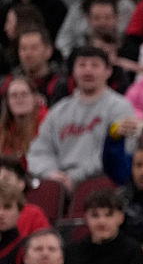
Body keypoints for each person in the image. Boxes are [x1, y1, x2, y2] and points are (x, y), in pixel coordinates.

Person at [26, 47, 134, 191]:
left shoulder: (120, 107)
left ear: (108, 71)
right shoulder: (59, 110)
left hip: (102, 183)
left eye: (95, 65)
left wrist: (75, 177)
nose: (87, 71)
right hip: (59, 184)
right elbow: (39, 151)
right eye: (82, 65)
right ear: (73, 71)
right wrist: (51, 173)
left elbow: (124, 149)